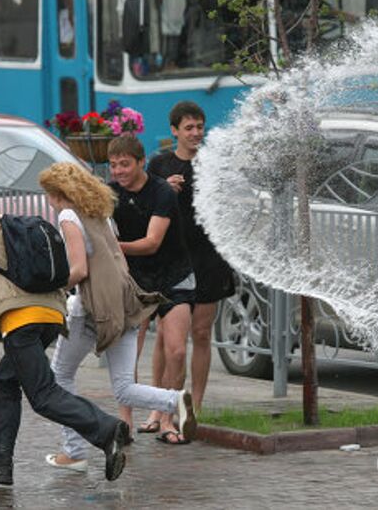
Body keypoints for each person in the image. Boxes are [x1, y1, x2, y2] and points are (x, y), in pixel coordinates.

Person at [0, 178, 129, 485]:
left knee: (43, 395)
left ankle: (108, 430)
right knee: (5, 383)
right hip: (50, 316)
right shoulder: (11, 223)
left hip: (22, 320)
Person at [38, 162, 197, 471]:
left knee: (59, 378)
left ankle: (73, 452)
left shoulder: (68, 216)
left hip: (90, 312)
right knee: (123, 387)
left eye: (49, 194)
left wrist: (52, 288)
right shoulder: (102, 216)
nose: (48, 200)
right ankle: (175, 400)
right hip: (124, 306)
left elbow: (80, 270)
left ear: (58, 193)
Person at [139, 101, 235, 436]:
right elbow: (146, 206)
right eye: (189, 127)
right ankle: (158, 405)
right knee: (167, 336)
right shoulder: (160, 164)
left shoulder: (215, 164)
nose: (196, 133)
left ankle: (194, 407)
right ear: (175, 131)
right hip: (171, 258)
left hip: (208, 256)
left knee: (202, 333)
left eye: (200, 127)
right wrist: (167, 189)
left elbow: (229, 205)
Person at [108, 135, 196, 445]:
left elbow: (152, 242)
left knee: (177, 349)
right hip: (135, 281)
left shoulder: (161, 191)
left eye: (125, 164)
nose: (119, 171)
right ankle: (125, 421)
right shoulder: (111, 194)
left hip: (174, 274)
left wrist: (113, 248)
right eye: (114, 165)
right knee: (128, 353)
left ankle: (167, 419)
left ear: (141, 162)